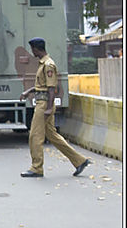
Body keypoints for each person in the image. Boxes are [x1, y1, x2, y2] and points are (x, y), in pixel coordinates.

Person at [18, 37, 90, 178]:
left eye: (33, 49)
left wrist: (49, 108)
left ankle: (36, 167)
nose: (32, 52)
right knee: (53, 135)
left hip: (44, 104)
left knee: (35, 135)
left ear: (37, 49)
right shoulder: (43, 64)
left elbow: (51, 88)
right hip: (43, 102)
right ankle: (80, 161)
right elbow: (42, 85)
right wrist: (28, 92)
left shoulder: (48, 65)